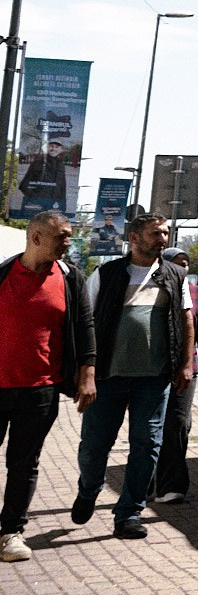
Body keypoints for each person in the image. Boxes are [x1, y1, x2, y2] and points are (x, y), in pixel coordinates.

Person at [73, 212, 194, 540]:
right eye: (156, 233)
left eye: (166, 233)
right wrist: (86, 371)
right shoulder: (107, 273)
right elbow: (83, 324)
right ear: (135, 237)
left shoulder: (175, 276)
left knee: (148, 444)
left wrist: (185, 364)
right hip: (108, 378)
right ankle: (89, 489)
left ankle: (129, 512)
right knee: (94, 447)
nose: (163, 239)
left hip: (153, 379)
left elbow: (186, 320)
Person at [0, 210, 95, 563]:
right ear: (37, 237)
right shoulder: (3, 274)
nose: (69, 242)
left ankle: (11, 532)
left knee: (24, 463)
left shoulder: (71, 279)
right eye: (63, 236)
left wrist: (87, 374)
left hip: (40, 390)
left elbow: (86, 328)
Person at [151, 245, 198, 504]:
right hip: (153, 368)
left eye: (186, 263)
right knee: (151, 426)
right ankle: (147, 482)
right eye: (177, 262)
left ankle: (172, 485)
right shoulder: (153, 288)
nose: (183, 267)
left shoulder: (195, 292)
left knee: (178, 423)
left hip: (187, 369)